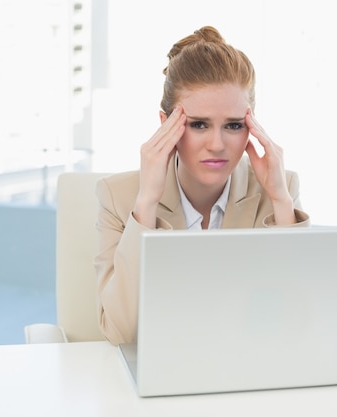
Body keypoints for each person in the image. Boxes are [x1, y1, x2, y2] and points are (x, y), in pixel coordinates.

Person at [94, 26, 310, 345]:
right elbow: (121, 333)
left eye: (234, 125)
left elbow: (298, 322)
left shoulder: (279, 188)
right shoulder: (119, 196)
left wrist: (280, 201)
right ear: (166, 124)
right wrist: (146, 205)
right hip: (161, 380)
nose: (217, 144)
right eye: (198, 125)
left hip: (249, 373)